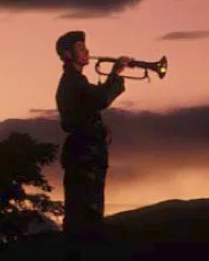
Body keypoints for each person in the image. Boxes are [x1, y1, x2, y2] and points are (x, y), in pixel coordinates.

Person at [54, 30, 131, 259]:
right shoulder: (71, 81)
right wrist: (115, 73)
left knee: (89, 215)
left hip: (88, 153)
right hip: (83, 155)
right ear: (68, 54)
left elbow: (91, 104)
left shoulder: (77, 81)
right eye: (80, 48)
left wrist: (99, 127)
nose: (87, 51)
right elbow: (100, 99)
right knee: (85, 216)